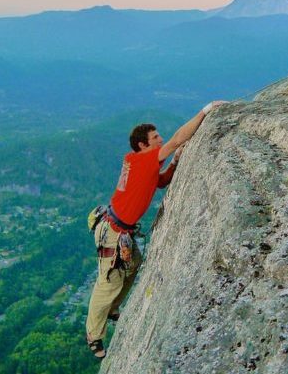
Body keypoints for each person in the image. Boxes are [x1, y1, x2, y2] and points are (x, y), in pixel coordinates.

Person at [86, 100, 225, 359]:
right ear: (143, 145)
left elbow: (159, 182)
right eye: (155, 137)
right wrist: (205, 111)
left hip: (118, 229)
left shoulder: (138, 161)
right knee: (107, 283)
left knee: (133, 264)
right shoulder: (141, 161)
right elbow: (176, 140)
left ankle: (114, 308)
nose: (160, 139)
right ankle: (94, 335)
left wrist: (173, 164)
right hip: (114, 232)